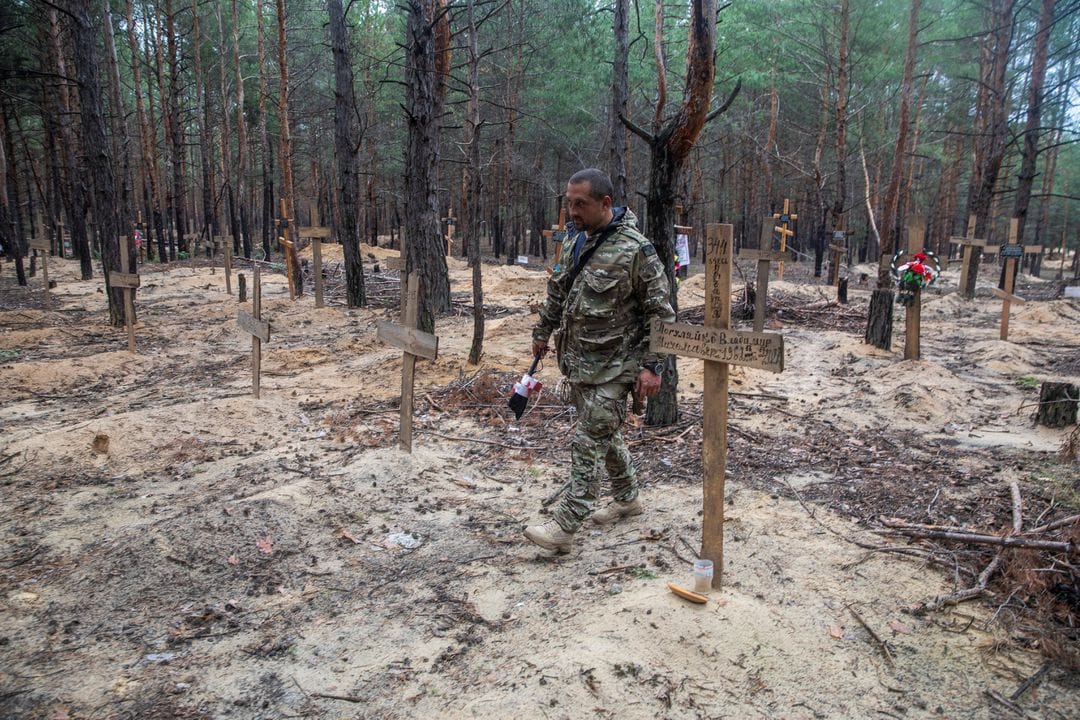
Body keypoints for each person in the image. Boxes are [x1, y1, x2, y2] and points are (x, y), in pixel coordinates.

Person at [523, 168, 675, 554]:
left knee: (589, 439)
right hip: (579, 363)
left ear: (605, 204)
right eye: (569, 203)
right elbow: (558, 290)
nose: (572, 211)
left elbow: (662, 315)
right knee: (605, 435)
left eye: (580, 204)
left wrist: (652, 366)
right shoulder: (576, 242)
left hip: (618, 366)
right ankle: (627, 498)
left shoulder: (636, 250)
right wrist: (543, 333)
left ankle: (565, 525)